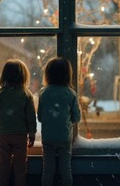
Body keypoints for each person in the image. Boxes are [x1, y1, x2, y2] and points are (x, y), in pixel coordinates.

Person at [0, 59, 37, 186]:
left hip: (3, 135)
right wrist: (32, 133)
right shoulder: (26, 94)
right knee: (20, 168)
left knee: (3, 166)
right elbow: (31, 117)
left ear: (4, 75)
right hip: (20, 136)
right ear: (23, 76)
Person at [37, 57, 81, 186]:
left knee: (47, 171)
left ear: (48, 74)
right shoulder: (71, 94)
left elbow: (39, 117)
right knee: (66, 170)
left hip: (48, 138)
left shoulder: (43, 93)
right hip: (64, 138)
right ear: (68, 74)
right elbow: (76, 118)